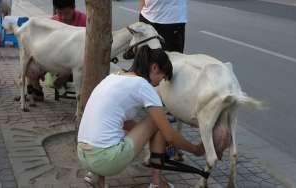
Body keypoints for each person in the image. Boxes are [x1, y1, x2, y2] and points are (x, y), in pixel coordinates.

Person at [77, 45, 205, 188]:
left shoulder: (112, 77)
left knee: (110, 128)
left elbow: (122, 123)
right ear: (155, 68)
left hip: (83, 155)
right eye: (162, 78)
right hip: (106, 160)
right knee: (157, 122)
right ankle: (156, 182)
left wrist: (149, 136)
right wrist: (196, 150)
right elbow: (168, 135)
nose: (159, 84)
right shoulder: (143, 85)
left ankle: (98, 179)